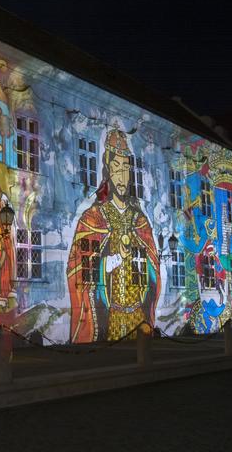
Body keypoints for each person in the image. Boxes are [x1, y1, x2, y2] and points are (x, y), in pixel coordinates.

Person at [66, 129, 160, 342]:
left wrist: (143, 262)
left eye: (126, 168)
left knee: (141, 351)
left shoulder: (140, 220)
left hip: (138, 313)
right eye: (116, 168)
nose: (122, 176)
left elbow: (154, 267)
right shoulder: (92, 218)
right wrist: (113, 260)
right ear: (107, 170)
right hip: (111, 314)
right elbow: (79, 268)